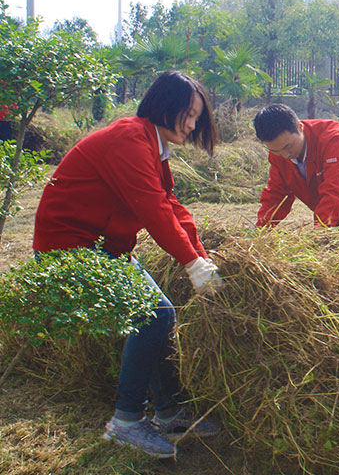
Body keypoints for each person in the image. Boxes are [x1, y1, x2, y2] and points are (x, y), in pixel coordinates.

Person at [32, 70, 225, 459]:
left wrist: (201, 256)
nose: (192, 125)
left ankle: (169, 413)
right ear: (165, 106)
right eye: (188, 114)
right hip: (69, 248)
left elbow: (170, 204)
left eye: (196, 117)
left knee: (160, 315)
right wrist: (190, 264)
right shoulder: (129, 140)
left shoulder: (152, 145)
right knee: (155, 314)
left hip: (106, 247)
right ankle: (126, 422)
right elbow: (152, 209)